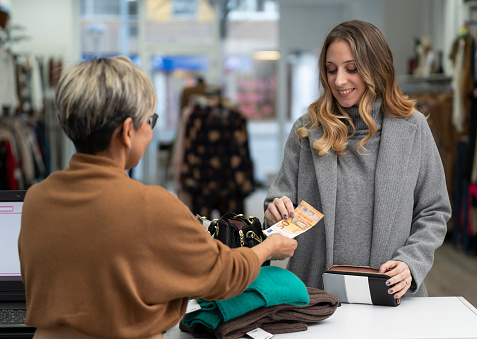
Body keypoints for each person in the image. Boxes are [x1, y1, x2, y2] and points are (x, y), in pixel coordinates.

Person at [18, 56, 297, 339]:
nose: (150, 130)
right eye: (149, 120)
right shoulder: (152, 205)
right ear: (127, 132)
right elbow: (224, 275)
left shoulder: (36, 200)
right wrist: (269, 247)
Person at [264, 20, 451, 301]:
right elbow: (278, 204)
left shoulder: (412, 128)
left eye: (352, 69)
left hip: (390, 296)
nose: (339, 80)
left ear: (376, 68)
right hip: (313, 295)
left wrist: (412, 263)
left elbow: (434, 211)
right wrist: (275, 212)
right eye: (331, 70)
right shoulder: (307, 129)